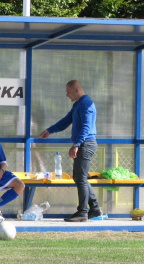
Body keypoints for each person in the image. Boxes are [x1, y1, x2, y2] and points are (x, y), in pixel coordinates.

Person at [37, 80, 102, 222]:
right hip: (83, 143)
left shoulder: (86, 103)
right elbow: (66, 121)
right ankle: (95, 208)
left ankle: (83, 212)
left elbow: (86, 126)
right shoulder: (78, 104)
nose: (66, 95)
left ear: (77, 90)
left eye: (68, 92)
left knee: (81, 178)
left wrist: (77, 144)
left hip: (86, 144)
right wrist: (49, 130)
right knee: (79, 177)